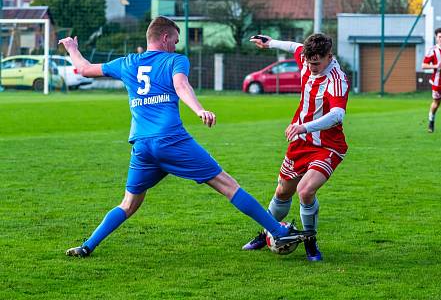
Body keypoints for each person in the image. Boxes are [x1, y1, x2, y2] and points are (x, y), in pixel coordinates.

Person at [59, 16, 314, 257]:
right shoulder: (175, 61)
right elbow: (182, 85)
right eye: (176, 39)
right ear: (166, 37)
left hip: (142, 146)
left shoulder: (127, 63)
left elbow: (82, 69)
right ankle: (279, 232)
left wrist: (71, 47)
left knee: (128, 204)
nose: (177, 44)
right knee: (228, 185)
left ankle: (87, 246)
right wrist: (199, 109)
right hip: (171, 140)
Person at [242, 33, 349, 262]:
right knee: (282, 192)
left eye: (317, 64)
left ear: (329, 56)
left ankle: (310, 241)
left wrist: (304, 127)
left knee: (306, 190)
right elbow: (296, 47)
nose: (312, 68)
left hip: (327, 145)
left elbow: (337, 115)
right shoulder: (307, 57)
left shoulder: (336, 79)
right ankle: (266, 233)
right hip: (301, 142)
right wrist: (270, 43)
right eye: (309, 63)